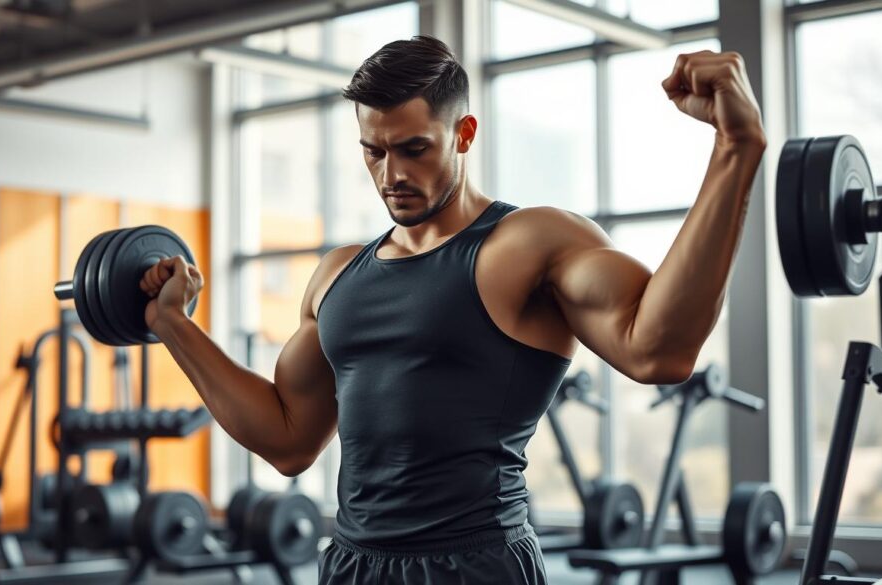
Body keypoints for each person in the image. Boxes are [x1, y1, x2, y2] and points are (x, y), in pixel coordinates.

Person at [139, 35, 765, 585]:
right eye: (373, 152)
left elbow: (659, 349)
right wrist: (174, 325)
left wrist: (735, 149)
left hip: (475, 565)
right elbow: (286, 439)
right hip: (352, 564)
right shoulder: (336, 274)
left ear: (463, 133)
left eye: (413, 149)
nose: (391, 174)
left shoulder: (526, 244)